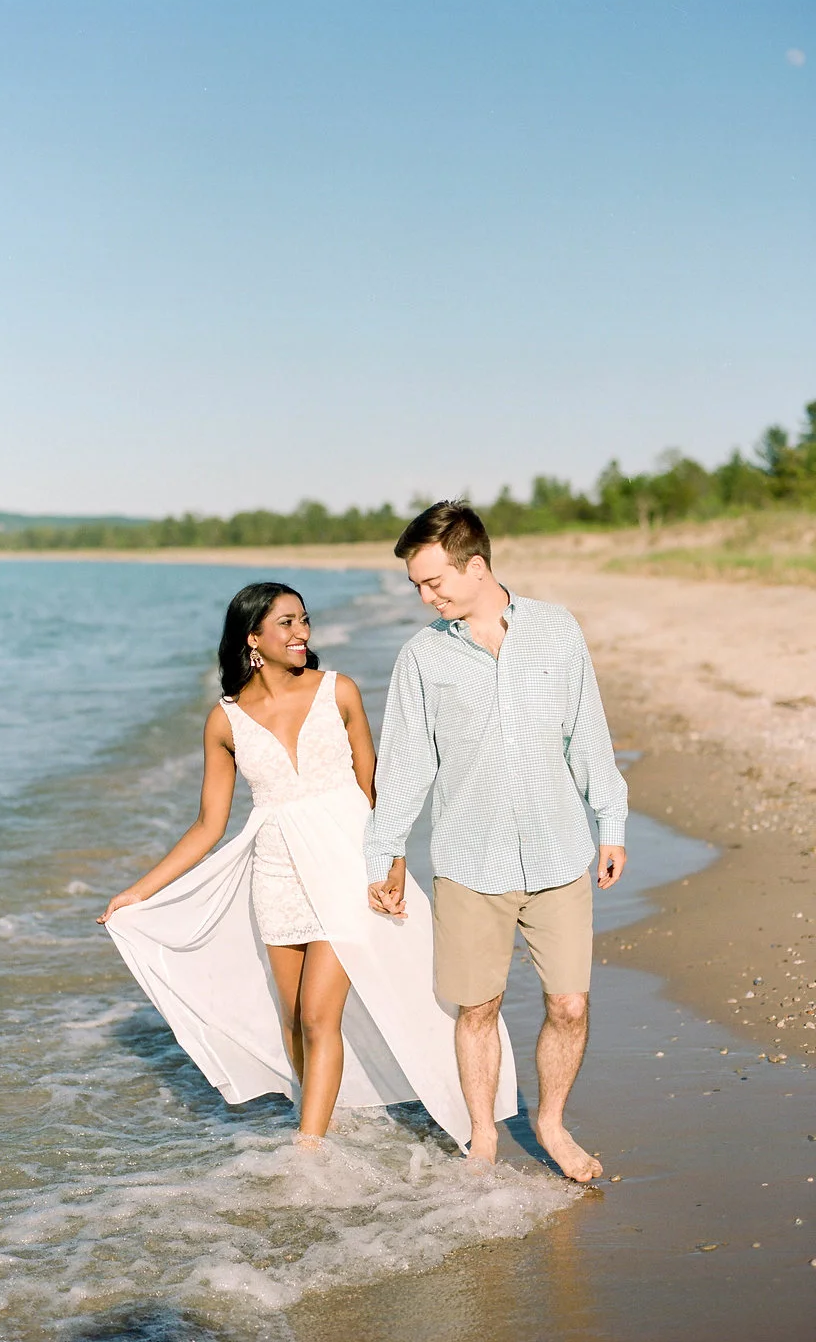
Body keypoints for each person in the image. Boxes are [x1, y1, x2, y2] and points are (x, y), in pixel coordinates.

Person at [98, 581, 517, 1148]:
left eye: (304, 621)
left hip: (347, 862)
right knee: (295, 1019)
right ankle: (324, 1111)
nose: (302, 634)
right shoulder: (225, 722)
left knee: (321, 1016)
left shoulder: (337, 691)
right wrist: (137, 893)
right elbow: (208, 825)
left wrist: (389, 860)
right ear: (254, 639)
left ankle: (308, 1148)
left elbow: (375, 788)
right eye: (287, 624)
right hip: (277, 873)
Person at [365, 502, 628, 1181]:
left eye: (433, 582)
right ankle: (483, 1136)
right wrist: (385, 853)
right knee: (477, 1006)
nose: (426, 597)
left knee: (569, 1004)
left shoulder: (556, 631)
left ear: (475, 566)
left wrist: (612, 822)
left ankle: (550, 1122)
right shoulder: (422, 657)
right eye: (419, 587)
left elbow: (586, 733)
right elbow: (404, 765)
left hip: (558, 851)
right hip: (467, 858)